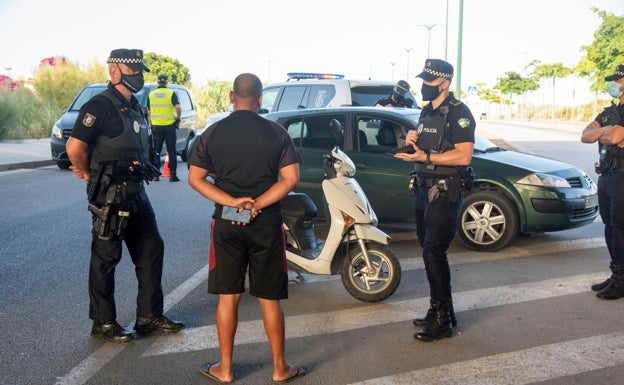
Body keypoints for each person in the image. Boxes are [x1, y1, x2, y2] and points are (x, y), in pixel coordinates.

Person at [188, 73, 305, 383]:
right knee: (269, 299)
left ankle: (224, 369)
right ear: (260, 99)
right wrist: (258, 204)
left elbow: (195, 178)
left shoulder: (212, 133)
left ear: (230, 96)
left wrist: (233, 202)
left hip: (227, 221)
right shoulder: (277, 133)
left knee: (228, 297)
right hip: (266, 223)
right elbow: (290, 179)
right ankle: (280, 368)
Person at [66, 48, 184, 343]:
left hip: (136, 192)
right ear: (114, 71)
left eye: (140, 71)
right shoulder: (100, 105)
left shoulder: (135, 106)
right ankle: (103, 322)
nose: (139, 76)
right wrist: (87, 173)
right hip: (109, 194)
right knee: (107, 257)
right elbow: (74, 147)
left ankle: (148, 316)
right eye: (133, 71)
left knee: (151, 249)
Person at [394, 59, 475, 342]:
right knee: (427, 248)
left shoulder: (459, 112)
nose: (423, 86)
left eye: (429, 81)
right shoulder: (427, 112)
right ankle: (440, 310)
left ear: (445, 83)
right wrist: (412, 142)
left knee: (434, 250)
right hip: (423, 186)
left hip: (444, 189)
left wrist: (424, 157)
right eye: (423, 80)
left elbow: (464, 156)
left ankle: (442, 320)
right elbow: (425, 148)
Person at [580, 64, 624, 300]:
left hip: (622, 176)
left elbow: (616, 137)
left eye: (618, 79)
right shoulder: (609, 112)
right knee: (609, 226)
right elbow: (584, 136)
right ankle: (616, 273)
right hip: (606, 174)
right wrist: (608, 128)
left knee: (619, 227)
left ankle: (622, 280)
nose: (613, 83)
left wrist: (606, 132)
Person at [148, 74, 182, 182]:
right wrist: (177, 118)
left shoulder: (151, 94)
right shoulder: (171, 93)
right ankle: (172, 175)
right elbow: (178, 107)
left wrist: (151, 124)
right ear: (166, 82)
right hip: (169, 126)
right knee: (171, 150)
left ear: (157, 82)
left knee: (156, 150)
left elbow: (149, 112)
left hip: (156, 126)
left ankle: (156, 174)